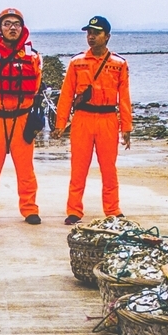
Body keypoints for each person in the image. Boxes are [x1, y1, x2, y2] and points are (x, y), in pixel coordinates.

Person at [54, 16, 132, 225]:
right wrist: (60, 124)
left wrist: (127, 127)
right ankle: (74, 210)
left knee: (109, 168)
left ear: (107, 36)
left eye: (96, 33)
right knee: (78, 167)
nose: (91, 37)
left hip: (108, 119)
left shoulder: (119, 64)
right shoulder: (77, 62)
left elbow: (124, 97)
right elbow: (66, 94)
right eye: (89, 33)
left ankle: (113, 209)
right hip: (83, 119)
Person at [0, 8, 42, 225]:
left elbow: (37, 85)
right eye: (7, 23)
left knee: (26, 170)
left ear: (22, 28)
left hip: (22, 118)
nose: (12, 27)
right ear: (0, 28)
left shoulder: (32, 56)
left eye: (16, 24)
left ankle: (29, 209)